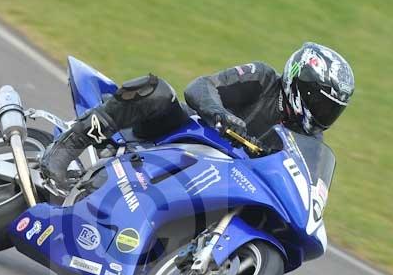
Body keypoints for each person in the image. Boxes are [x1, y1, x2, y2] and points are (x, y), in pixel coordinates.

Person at [40, 42, 354, 189]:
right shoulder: (263, 79)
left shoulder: (308, 140)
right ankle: (72, 142)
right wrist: (219, 114)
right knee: (156, 90)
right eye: (324, 103)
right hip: (181, 135)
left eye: (334, 110)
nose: (326, 114)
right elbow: (200, 88)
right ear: (302, 85)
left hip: (222, 179)